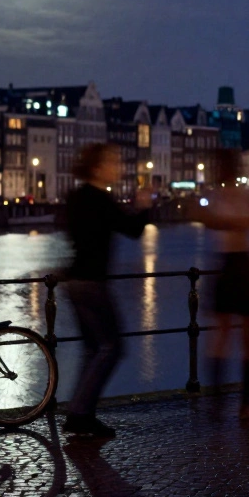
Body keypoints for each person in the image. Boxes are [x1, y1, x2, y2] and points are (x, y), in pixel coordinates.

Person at [63, 143, 152, 438]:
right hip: (92, 282)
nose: (119, 167)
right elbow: (133, 229)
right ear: (98, 168)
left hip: (74, 281)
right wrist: (144, 206)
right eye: (114, 162)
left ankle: (80, 412)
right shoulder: (101, 200)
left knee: (93, 349)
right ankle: (80, 414)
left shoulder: (76, 197)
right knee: (112, 347)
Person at [194, 150, 249, 419]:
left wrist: (225, 222)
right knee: (247, 339)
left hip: (227, 267)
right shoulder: (246, 196)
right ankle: (245, 404)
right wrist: (238, 223)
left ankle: (218, 402)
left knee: (222, 336)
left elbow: (210, 220)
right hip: (243, 266)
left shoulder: (216, 197)